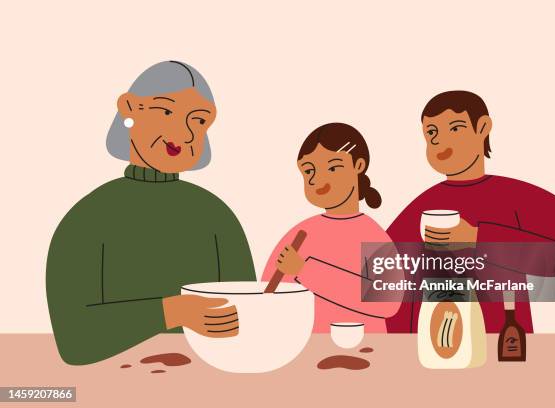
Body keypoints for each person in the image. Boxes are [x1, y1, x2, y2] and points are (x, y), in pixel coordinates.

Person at [46, 61, 255, 365]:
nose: (184, 135)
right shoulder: (87, 218)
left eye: (197, 121)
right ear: (129, 108)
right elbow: (74, 340)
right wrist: (173, 311)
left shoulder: (218, 217)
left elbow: (245, 319)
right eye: (167, 112)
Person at [386, 90, 555, 333]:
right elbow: (385, 280)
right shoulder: (420, 208)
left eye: (455, 128)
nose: (440, 141)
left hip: (504, 340)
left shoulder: (520, 199)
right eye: (432, 133)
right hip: (436, 346)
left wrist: (477, 238)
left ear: (482, 127)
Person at [262, 123, 399, 332]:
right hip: (306, 347)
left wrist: (304, 270)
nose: (318, 180)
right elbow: (269, 297)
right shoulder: (299, 234)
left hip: (366, 346)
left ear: (358, 165)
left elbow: (388, 302)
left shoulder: (373, 235)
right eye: (309, 171)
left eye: (333, 168)